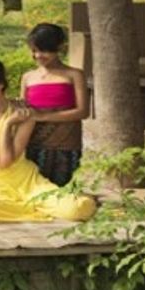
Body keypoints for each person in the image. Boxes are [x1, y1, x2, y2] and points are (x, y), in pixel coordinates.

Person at [0, 59, 96, 224]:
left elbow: (5, 162)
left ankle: (35, 204)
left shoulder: (23, 113)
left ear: (1, 84)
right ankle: (35, 208)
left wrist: (8, 124)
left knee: (78, 209)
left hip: (28, 185)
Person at [20, 23, 87, 186]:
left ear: (58, 48)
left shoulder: (74, 75)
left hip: (65, 144)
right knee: (35, 190)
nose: (38, 56)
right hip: (33, 143)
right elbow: (23, 109)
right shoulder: (28, 77)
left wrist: (44, 116)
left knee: (60, 191)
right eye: (34, 51)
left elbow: (82, 111)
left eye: (44, 50)